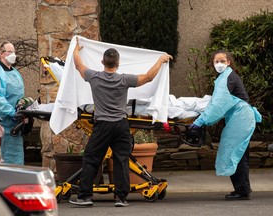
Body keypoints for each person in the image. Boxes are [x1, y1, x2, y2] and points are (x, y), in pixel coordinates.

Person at [69, 38, 172, 207]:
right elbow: (148, 77)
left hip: (102, 125)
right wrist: (160, 60)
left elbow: (79, 66)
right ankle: (120, 198)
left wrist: (75, 50)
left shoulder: (93, 77)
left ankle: (85, 197)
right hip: (121, 125)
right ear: (118, 63)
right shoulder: (124, 80)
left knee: (91, 158)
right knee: (121, 160)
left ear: (102, 62)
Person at [189, 50, 261, 200]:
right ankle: (243, 189)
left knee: (235, 153)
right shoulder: (225, 76)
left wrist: (201, 121)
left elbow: (218, 104)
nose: (219, 64)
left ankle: (241, 191)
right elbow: (220, 102)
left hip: (240, 118)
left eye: (222, 61)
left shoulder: (227, 77)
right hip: (241, 117)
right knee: (239, 153)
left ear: (228, 62)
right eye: (216, 62)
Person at [0, 40, 25, 165]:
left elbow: (18, 93)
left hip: (14, 122)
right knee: (2, 157)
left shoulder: (14, 72)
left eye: (14, 51)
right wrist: (11, 112)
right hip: (1, 120)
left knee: (16, 155)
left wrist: (22, 105)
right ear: (1, 54)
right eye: (10, 51)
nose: (13, 54)